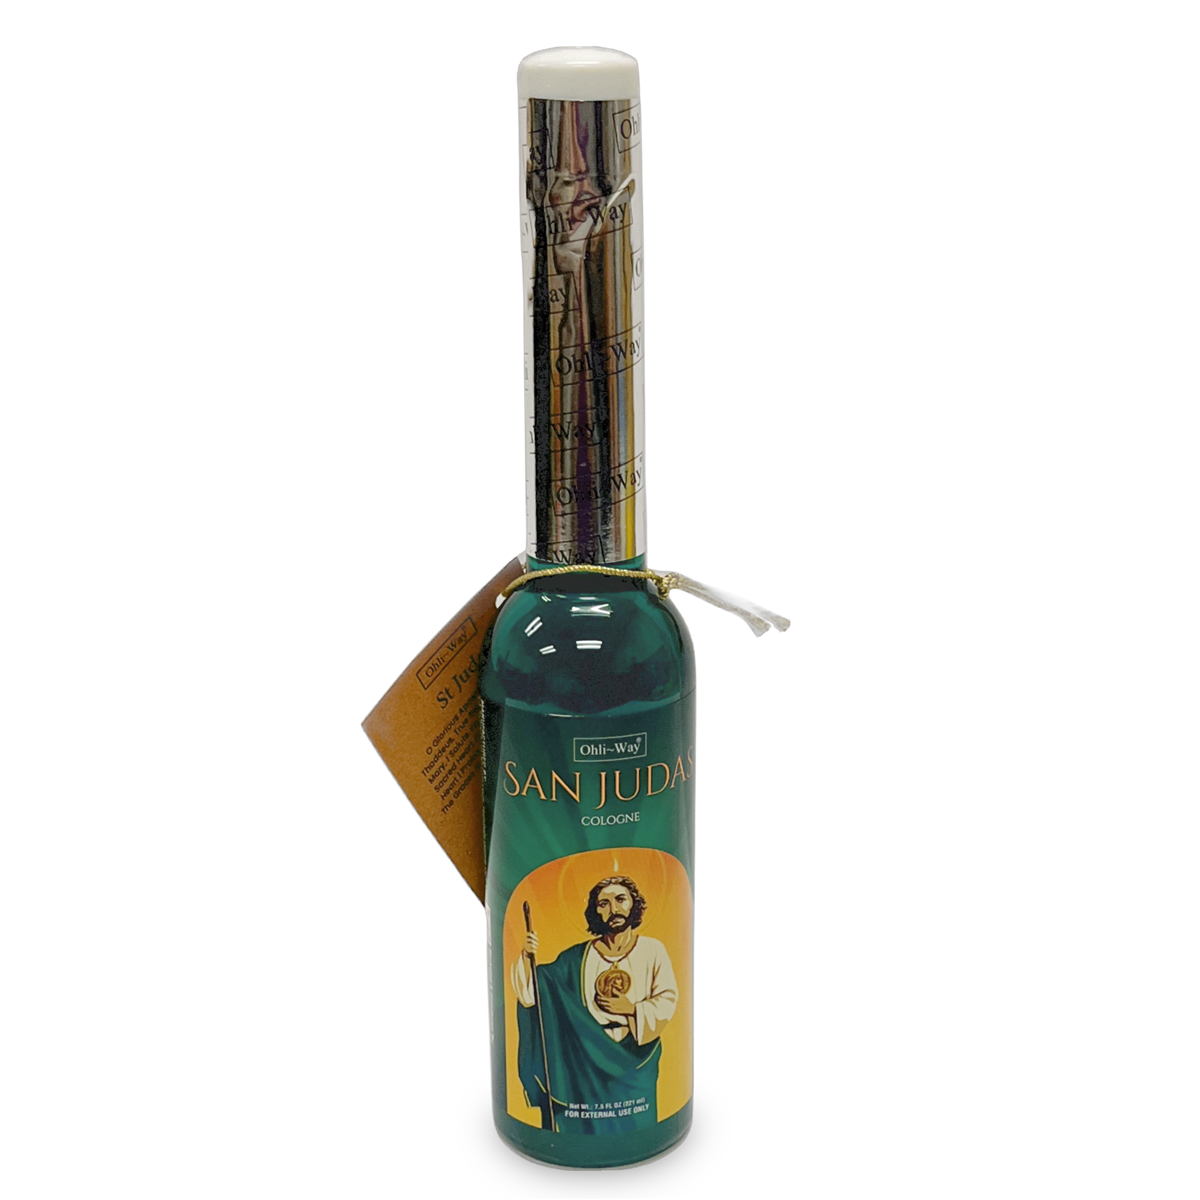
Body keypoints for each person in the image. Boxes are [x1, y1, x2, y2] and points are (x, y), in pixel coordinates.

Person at [511, 875, 678, 1133]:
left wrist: (631, 1009)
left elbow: (667, 999)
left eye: (621, 899)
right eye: (604, 903)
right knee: (586, 1129)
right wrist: (526, 955)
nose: (614, 909)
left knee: (638, 1126)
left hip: (636, 1060)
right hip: (585, 1061)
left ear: (634, 904)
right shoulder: (576, 958)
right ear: (595, 911)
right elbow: (534, 993)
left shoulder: (652, 950)